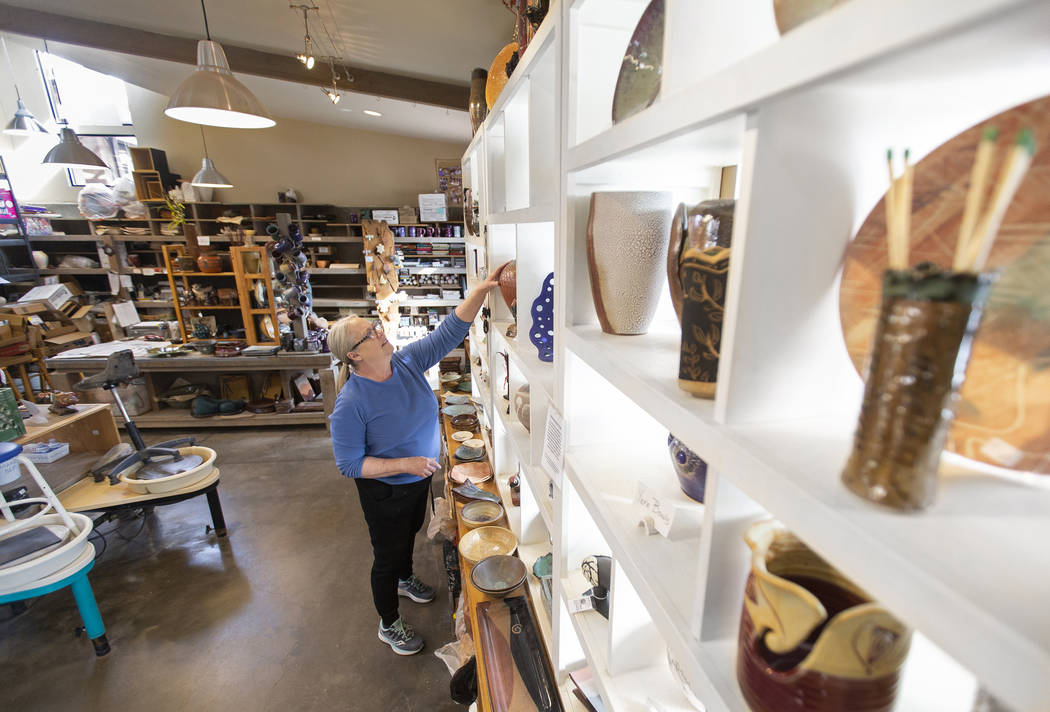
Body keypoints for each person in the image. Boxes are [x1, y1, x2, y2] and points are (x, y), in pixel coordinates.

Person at [328, 262, 508, 655]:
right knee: (386, 554)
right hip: (385, 490)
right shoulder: (351, 403)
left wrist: (479, 291)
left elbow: (449, 332)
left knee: (407, 534)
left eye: (376, 326)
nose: (381, 332)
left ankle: (406, 577)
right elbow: (349, 464)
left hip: (416, 481)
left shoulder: (405, 363)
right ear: (355, 356)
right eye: (371, 334)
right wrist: (405, 464)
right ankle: (388, 622)